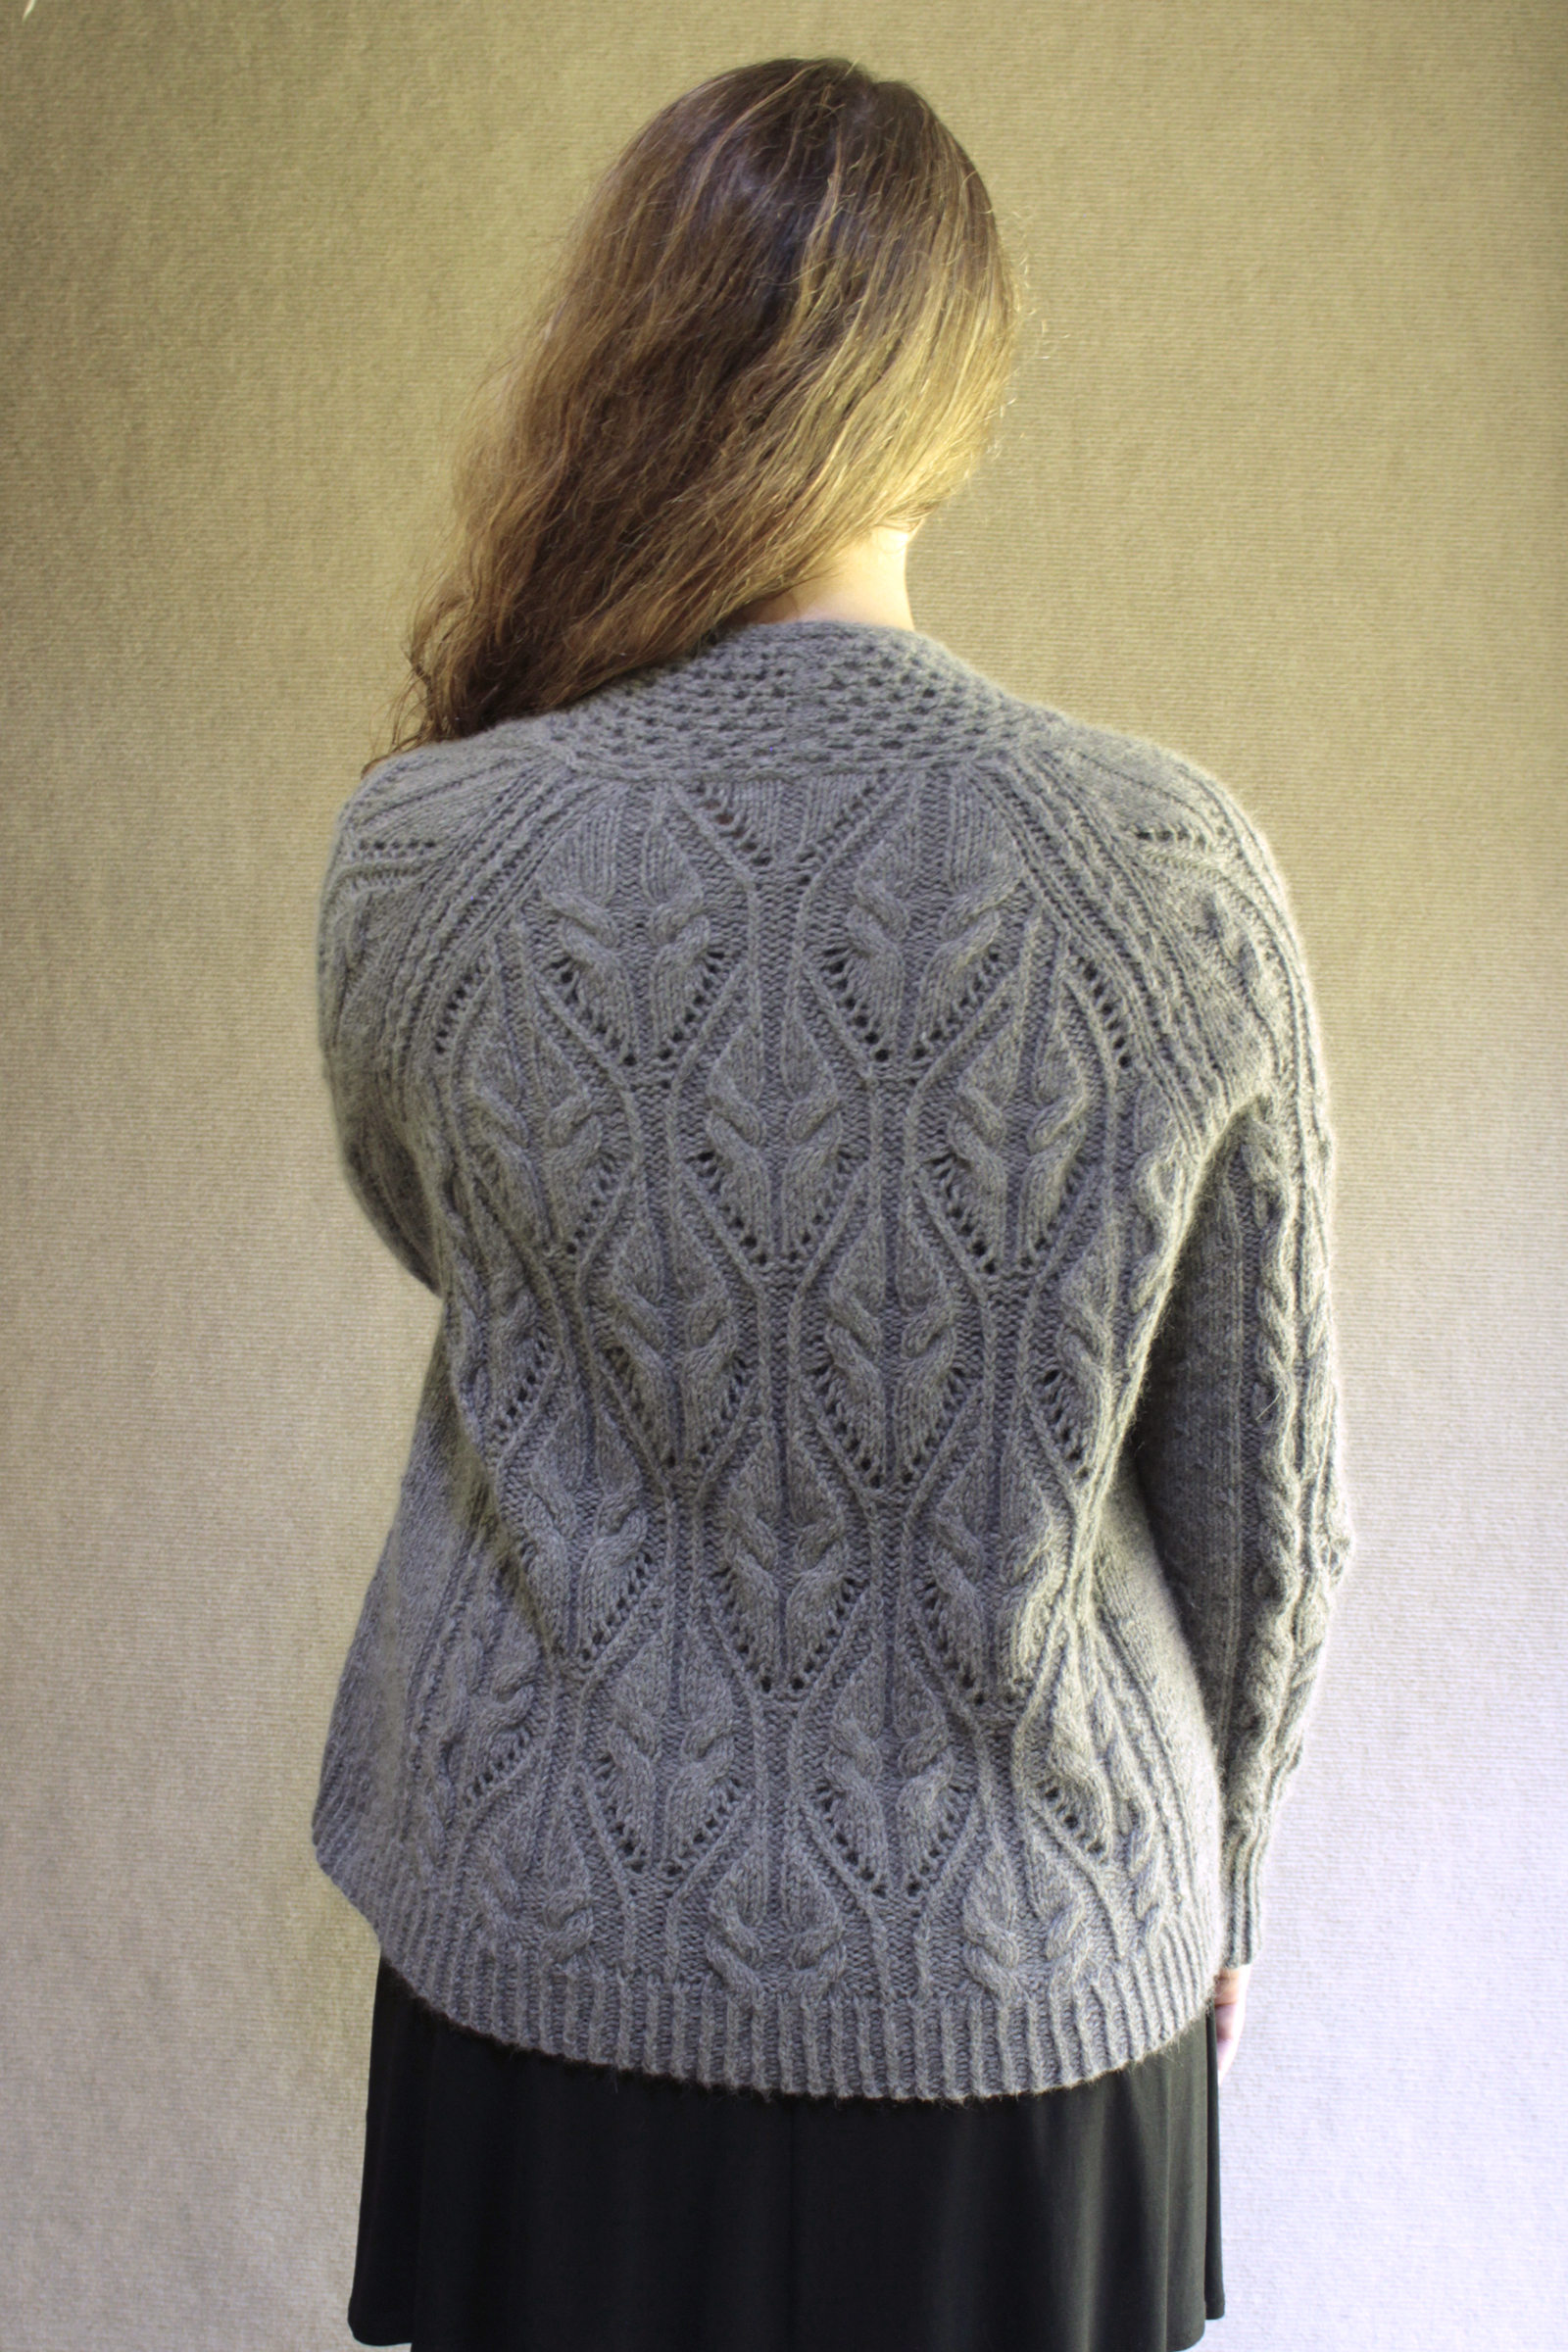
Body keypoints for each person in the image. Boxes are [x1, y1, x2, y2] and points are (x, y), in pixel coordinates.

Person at [312, 54, 1352, 2352]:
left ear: (624, 349)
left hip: (548, 1985)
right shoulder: (1170, 878)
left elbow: (439, 1226)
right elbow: (1258, 1510)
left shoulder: (427, 857)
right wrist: (1230, 1872)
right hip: (1025, 2002)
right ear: (952, 396)